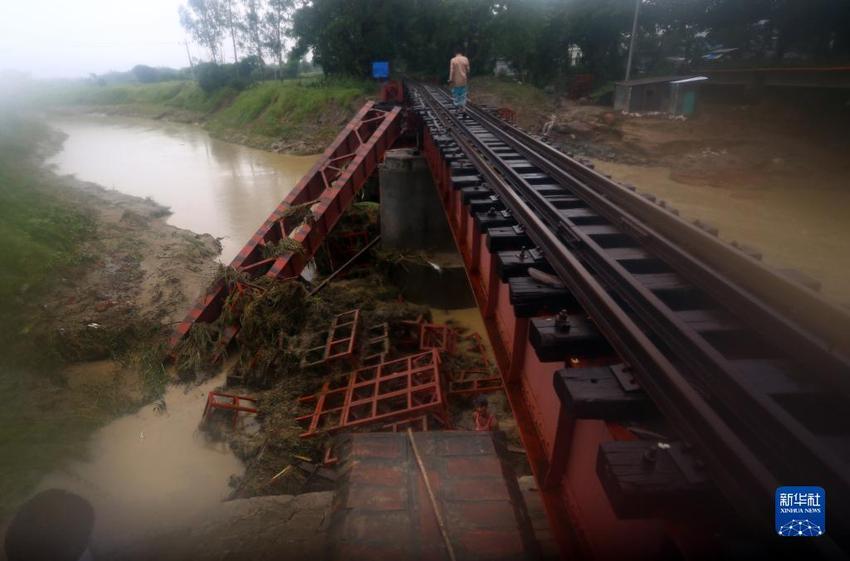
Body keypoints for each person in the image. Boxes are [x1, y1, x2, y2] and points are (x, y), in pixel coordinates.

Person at [448, 49, 470, 113]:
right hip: (464, 80)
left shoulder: (453, 60)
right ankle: (463, 108)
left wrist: (450, 79)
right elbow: (468, 70)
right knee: (463, 94)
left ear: (455, 53)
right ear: (461, 53)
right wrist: (466, 75)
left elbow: (452, 70)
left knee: (456, 94)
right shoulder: (465, 59)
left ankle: (457, 108)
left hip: (456, 80)